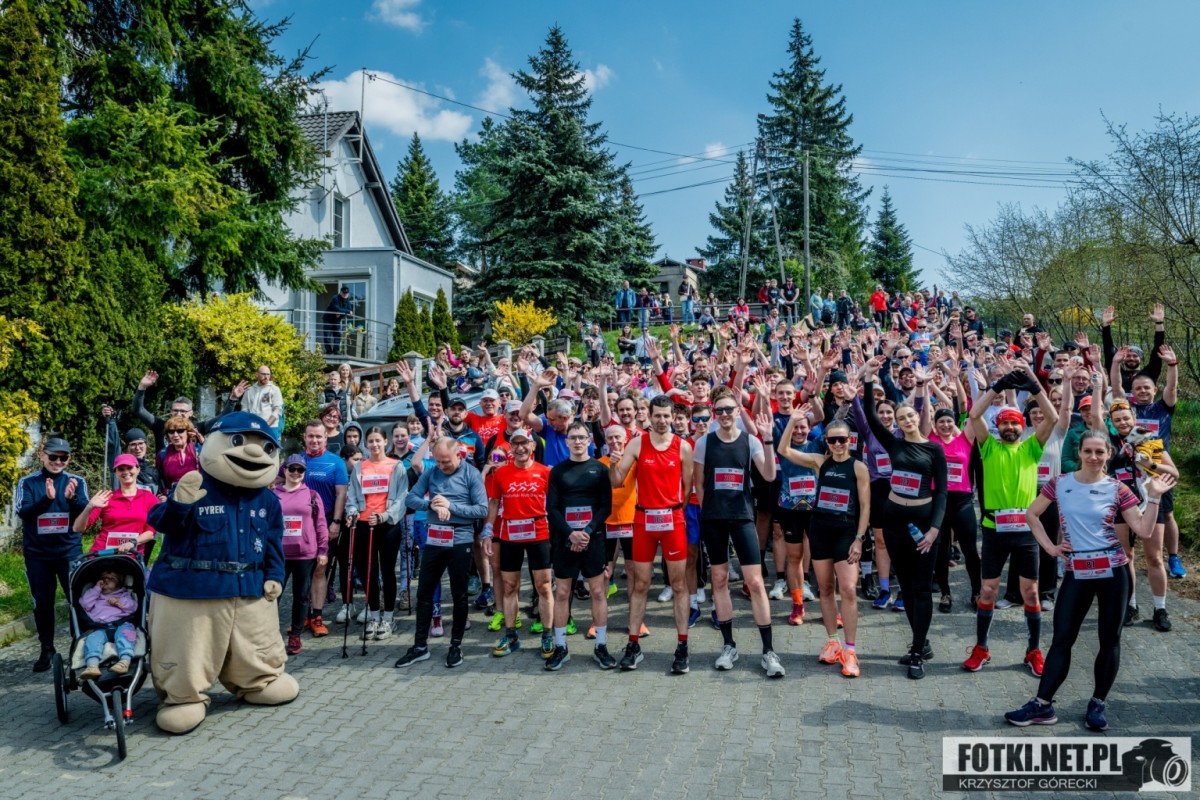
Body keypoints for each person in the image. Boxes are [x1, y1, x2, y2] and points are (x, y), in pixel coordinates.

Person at [1005, 433, 1174, 731]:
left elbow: (1144, 531)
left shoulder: (1117, 488)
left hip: (1114, 572)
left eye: (1099, 452)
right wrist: (1050, 548)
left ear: (1108, 454)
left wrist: (1155, 496)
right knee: (1062, 638)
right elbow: (1032, 514)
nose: (1093, 457)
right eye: (1088, 451)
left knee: (1109, 640)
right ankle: (1042, 705)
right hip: (1077, 571)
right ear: (1080, 452)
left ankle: (1098, 703)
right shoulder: (1061, 483)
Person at [964, 360, 1058, 677]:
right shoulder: (988, 447)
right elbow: (974, 415)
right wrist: (997, 387)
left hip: (1026, 532)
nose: (1010, 427)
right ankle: (981, 648)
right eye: (1004, 423)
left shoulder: (1031, 448)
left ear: (1021, 426)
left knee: (1030, 593)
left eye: (1014, 423)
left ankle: (1034, 650)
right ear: (998, 427)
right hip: (994, 530)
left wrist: (1035, 387)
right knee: (988, 591)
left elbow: (1053, 417)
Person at [860, 357, 947, 679]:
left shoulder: (934, 450)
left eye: (910, 415)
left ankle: (917, 652)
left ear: (919, 417)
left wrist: (935, 529)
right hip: (894, 520)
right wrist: (868, 379)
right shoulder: (893, 443)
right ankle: (920, 643)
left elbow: (942, 493)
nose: (907, 420)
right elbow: (870, 415)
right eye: (901, 418)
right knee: (907, 587)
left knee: (922, 588)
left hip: (923, 524)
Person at [693, 387, 784, 678]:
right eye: (718, 410)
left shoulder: (751, 440)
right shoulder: (704, 443)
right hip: (714, 519)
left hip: (743, 517)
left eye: (729, 410)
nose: (724, 415)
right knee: (719, 579)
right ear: (714, 413)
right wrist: (709, 510)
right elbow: (699, 484)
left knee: (755, 582)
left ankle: (768, 651)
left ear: (737, 411)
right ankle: (729, 645)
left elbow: (769, 475)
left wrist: (768, 439)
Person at [609, 394, 695, 674]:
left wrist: (672, 510)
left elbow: (687, 488)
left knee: (679, 585)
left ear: (674, 417)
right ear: (649, 415)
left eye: (666, 416)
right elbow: (617, 481)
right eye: (657, 415)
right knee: (640, 584)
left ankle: (682, 646)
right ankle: (633, 644)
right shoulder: (637, 443)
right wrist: (613, 463)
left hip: (673, 520)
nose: (662, 420)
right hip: (643, 521)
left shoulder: (683, 447)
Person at [779, 415, 870, 678]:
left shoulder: (858, 467)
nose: (838, 444)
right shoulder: (820, 462)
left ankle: (850, 650)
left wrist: (859, 538)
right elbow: (784, 450)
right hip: (820, 531)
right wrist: (792, 421)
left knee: (849, 589)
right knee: (826, 589)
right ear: (826, 442)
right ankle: (833, 642)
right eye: (833, 440)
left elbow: (866, 506)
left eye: (843, 439)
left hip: (846, 532)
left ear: (850, 440)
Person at [396, 438, 489, 669]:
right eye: (438, 461)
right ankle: (420, 646)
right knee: (424, 592)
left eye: (446, 461)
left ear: (459, 455)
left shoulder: (471, 474)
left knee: (459, 594)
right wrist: (432, 505)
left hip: (460, 538)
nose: (442, 466)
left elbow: (482, 509)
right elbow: (410, 498)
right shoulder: (432, 472)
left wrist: (450, 506)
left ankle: (455, 645)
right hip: (435, 536)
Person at [544, 422, 615, 670]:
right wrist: (570, 534)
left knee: (598, 592)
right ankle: (560, 647)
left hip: (592, 539)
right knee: (563, 593)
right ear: (567, 442)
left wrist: (586, 532)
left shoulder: (600, 469)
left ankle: (601, 646)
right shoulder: (558, 471)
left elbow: (606, 507)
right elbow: (552, 508)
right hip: (565, 540)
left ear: (589, 440)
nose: (577, 441)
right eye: (573, 438)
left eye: (581, 437)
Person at [17, 436, 90, 671]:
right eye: (53, 457)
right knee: (43, 602)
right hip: (38, 554)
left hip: (68, 551)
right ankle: (46, 648)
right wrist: (46, 500)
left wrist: (72, 499)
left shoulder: (77, 481)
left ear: (69, 459)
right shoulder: (28, 482)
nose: (58, 462)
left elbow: (86, 514)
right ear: (42, 455)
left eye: (63, 458)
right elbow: (24, 512)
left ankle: (79, 644)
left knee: (77, 599)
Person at [484, 428, 555, 660]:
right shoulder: (501, 473)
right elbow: (494, 502)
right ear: (510, 448)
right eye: (515, 444)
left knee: (543, 586)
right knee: (509, 587)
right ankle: (511, 635)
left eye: (524, 443)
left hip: (539, 533)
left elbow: (554, 504)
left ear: (533, 446)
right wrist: (488, 530)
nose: (520, 448)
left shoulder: (545, 472)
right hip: (510, 535)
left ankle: (547, 634)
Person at [345, 428, 410, 640]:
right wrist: (352, 512)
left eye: (378, 441)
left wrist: (384, 516)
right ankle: (374, 616)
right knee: (368, 572)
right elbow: (352, 496)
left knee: (388, 571)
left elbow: (402, 497)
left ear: (385, 441)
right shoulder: (360, 467)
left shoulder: (396, 466)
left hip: (387, 524)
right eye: (370, 441)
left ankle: (388, 617)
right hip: (364, 525)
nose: (374, 445)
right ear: (366, 444)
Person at [272, 455, 329, 655]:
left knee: (301, 596)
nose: (296, 473)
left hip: (305, 554)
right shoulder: (273, 494)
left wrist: (323, 550)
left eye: (300, 470)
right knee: (273, 595)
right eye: (292, 469)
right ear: (285, 470)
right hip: (279, 554)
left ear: (304, 473)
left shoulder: (312, 495)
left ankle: (295, 635)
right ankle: (269, 634)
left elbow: (320, 524)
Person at [300, 420, 348, 637]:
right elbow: (279, 484)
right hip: (300, 525)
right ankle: (303, 614)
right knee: (302, 570)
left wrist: (336, 522)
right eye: (310, 436)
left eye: (318, 436)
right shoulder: (295, 461)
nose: (314, 440)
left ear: (326, 438)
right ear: (304, 437)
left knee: (320, 568)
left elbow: (341, 494)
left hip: (326, 522)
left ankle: (317, 615)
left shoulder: (336, 462)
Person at [73, 454, 158, 556]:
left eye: (129, 468)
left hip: (131, 556)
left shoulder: (150, 498)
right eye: (121, 469)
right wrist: (89, 506)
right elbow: (77, 528)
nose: (126, 472)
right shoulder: (106, 497)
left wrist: (132, 542)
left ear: (138, 469)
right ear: (116, 473)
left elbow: (150, 532)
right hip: (104, 554)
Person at [78, 570, 138, 680]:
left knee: (126, 635)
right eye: (103, 577)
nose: (106, 579)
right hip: (100, 627)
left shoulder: (124, 594)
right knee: (92, 640)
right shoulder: (95, 595)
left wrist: (120, 601)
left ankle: (124, 661)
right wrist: (96, 589)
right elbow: (85, 604)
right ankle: (92, 665)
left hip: (122, 623)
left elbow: (133, 607)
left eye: (111, 578)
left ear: (119, 583)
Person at [159, 416, 201, 491]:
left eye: (180, 431)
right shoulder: (162, 454)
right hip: (173, 495)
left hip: (198, 494)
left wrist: (204, 443)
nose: (175, 435)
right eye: (171, 432)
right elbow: (160, 480)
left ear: (188, 432)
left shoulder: (199, 450)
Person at [244, 366, 284, 437]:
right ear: (257, 374)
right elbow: (244, 409)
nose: (266, 377)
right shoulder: (249, 390)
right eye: (263, 374)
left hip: (271, 428)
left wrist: (266, 425)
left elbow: (277, 410)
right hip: (252, 428)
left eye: (268, 374)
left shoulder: (275, 390)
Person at [323, 286, 354, 353]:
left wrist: (342, 312)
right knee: (327, 336)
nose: (345, 294)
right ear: (340, 292)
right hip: (328, 319)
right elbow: (337, 309)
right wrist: (346, 311)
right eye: (343, 293)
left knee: (337, 335)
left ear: (348, 294)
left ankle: (336, 351)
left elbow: (350, 310)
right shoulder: (335, 298)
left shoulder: (347, 301)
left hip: (337, 320)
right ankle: (328, 351)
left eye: (346, 293)